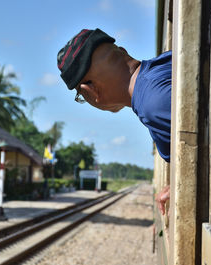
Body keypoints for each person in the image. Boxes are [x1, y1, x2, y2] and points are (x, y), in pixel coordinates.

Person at [57, 28, 170, 213]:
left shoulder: (153, 105)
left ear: (91, 91)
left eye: (81, 95)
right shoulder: (164, 63)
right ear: (123, 51)